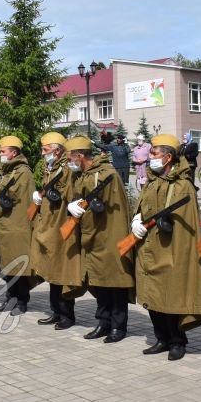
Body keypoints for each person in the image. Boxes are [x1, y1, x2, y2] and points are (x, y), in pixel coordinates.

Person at [130, 133, 201, 361]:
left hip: (171, 250)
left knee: (172, 296)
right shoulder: (152, 181)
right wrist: (136, 219)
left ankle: (177, 340)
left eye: (154, 153)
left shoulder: (182, 186)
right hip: (149, 248)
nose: (150, 157)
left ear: (168, 157)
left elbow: (186, 226)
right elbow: (143, 207)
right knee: (153, 295)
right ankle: (162, 338)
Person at [66, 134, 134, 344]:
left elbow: (110, 207)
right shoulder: (82, 174)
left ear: (79, 156)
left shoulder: (106, 174)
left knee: (115, 282)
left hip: (110, 234)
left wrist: (83, 208)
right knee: (99, 282)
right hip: (92, 236)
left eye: (70, 157)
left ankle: (118, 326)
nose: (68, 161)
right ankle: (103, 322)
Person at [30, 132, 81, 329]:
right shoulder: (50, 168)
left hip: (61, 223)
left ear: (57, 150)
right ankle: (56, 312)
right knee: (52, 271)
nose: (43, 154)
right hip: (49, 223)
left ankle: (67, 315)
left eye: (45, 149)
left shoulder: (66, 169)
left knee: (62, 270)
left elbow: (68, 194)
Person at [0, 136, 37, 315]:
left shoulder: (23, 172)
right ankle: (10, 297)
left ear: (14, 152)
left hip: (16, 224)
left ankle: (21, 301)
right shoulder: (4, 172)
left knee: (16, 265)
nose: (0, 154)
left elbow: (14, 197)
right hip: (2, 224)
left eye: (3, 151)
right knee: (5, 264)